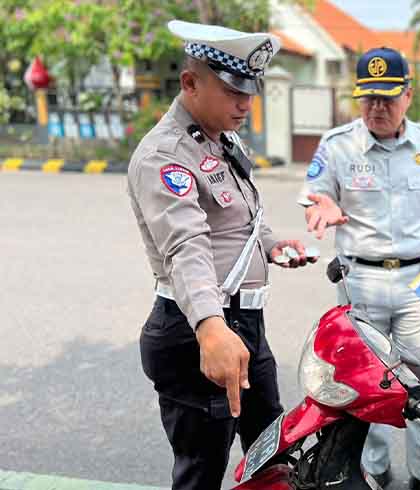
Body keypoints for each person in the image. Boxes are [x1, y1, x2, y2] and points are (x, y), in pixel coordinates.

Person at [127, 20, 315, 490]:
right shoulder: (165, 156)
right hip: (197, 329)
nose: (246, 105)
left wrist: (271, 244)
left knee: (271, 448)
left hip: (244, 325)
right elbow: (186, 246)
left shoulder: (219, 139)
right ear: (190, 83)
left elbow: (237, 218)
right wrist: (211, 328)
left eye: (250, 92)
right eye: (233, 91)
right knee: (202, 470)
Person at [298, 47, 420, 490]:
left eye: (387, 98)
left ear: (408, 96)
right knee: (365, 384)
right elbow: (315, 195)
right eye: (368, 98)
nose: (376, 107)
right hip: (361, 281)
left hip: (417, 280)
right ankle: (373, 467)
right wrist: (325, 205)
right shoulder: (338, 145)